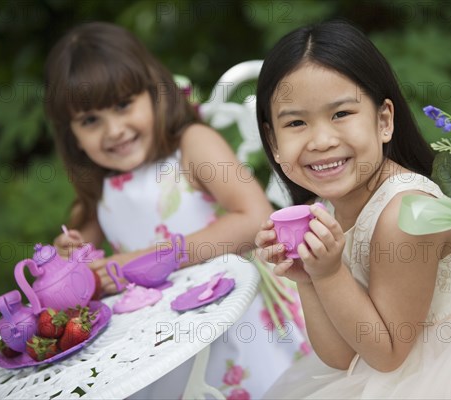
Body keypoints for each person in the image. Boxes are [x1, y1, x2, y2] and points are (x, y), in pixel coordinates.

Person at [254, 20, 451, 399]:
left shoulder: (407, 215)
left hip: (446, 363)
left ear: (384, 121)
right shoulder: (327, 208)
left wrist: (330, 274)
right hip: (390, 355)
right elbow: (343, 354)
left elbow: (387, 355)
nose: (321, 140)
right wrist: (309, 278)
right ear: (274, 141)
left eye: (341, 114)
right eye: (296, 122)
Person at [44, 22, 306, 399]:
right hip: (161, 341)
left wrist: (144, 260)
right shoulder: (98, 182)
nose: (114, 130)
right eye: (90, 121)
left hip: (234, 316)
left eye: (123, 105)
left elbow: (253, 219)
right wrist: (69, 262)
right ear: (72, 134)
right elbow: (78, 260)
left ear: (153, 93)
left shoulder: (191, 145)